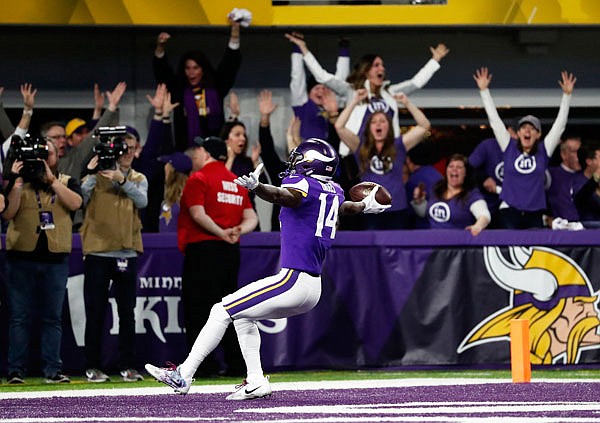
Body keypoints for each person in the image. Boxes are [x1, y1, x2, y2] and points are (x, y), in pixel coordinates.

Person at [145, 138, 389, 399]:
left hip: (293, 279)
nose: (293, 164)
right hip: (311, 286)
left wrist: (258, 187)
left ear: (311, 164)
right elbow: (345, 208)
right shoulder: (334, 191)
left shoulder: (303, 184)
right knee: (243, 317)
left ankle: (183, 374)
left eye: (298, 159)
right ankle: (256, 381)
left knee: (221, 309)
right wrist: (365, 205)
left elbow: (284, 196)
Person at [176, 135, 257, 377]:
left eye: (198, 150)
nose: (195, 155)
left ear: (206, 153)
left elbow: (198, 214)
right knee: (229, 308)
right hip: (230, 252)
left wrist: (221, 232)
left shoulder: (198, 178)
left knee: (198, 309)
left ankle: (203, 365)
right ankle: (236, 364)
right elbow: (252, 217)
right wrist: (236, 231)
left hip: (203, 250)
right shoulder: (235, 181)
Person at [2, 138, 82, 384]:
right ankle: (16, 370)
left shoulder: (66, 181)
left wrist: (52, 180)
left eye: (47, 153)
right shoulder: (19, 184)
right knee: (19, 317)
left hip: (55, 258)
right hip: (21, 257)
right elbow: (8, 213)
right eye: (39, 153)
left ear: (56, 157)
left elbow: (76, 203)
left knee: (52, 317)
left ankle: (52, 369)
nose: (43, 157)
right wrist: (14, 183)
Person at [287, 33, 448, 143]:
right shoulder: (351, 91)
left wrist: (435, 60)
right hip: (356, 151)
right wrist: (303, 49)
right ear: (366, 70)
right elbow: (322, 76)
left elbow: (415, 83)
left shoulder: (389, 92)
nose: (382, 69)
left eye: (383, 65)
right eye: (376, 65)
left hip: (385, 152)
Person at [80, 131, 148, 383]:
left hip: (127, 252)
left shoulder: (139, 178)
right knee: (95, 312)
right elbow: (79, 200)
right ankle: (92, 366)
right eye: (124, 148)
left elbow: (142, 201)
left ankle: (128, 366)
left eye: (132, 148)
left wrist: (122, 181)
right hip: (98, 251)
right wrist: (90, 172)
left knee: (127, 314)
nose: (128, 153)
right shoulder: (95, 178)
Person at [473, 67, 577, 229]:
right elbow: (495, 121)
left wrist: (567, 96)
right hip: (509, 212)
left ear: (538, 134)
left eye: (532, 128)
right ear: (518, 133)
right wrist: (484, 91)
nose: (527, 130)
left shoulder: (544, 150)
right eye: (523, 128)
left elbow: (560, 125)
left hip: (535, 213)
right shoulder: (509, 147)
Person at [335, 88, 431, 229]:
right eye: (374, 122)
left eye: (382, 121)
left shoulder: (398, 145)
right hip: (370, 210)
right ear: (369, 128)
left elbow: (424, 126)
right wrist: (355, 101)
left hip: (397, 210)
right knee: (372, 251)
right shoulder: (360, 146)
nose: (378, 124)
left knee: (398, 249)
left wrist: (407, 102)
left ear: (389, 126)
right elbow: (339, 126)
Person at [153, 15, 242, 150]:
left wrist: (235, 34)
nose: (191, 72)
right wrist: (160, 48)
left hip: (214, 152)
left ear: (203, 69)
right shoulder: (179, 91)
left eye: (195, 68)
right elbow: (163, 74)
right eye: (187, 68)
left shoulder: (215, 88)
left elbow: (229, 66)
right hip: (187, 153)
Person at [286, 32, 348, 142]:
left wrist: (344, 49)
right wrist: (297, 47)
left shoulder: (334, 107)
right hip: (307, 155)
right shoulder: (302, 106)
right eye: (316, 89)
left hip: (331, 155)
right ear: (308, 93)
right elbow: (297, 78)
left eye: (324, 88)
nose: (321, 92)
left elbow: (341, 81)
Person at [412, 154, 490, 235]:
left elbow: (484, 215)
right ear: (446, 171)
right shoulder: (437, 189)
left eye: (459, 167)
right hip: (433, 242)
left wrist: (478, 226)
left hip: (456, 244)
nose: (454, 169)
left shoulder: (472, 195)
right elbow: (423, 213)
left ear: (465, 173)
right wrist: (419, 201)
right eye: (451, 166)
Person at [546, 136, 587, 222]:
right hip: (562, 230)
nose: (579, 156)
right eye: (575, 152)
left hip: (588, 227)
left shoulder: (588, 175)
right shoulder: (551, 175)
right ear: (563, 154)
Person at [405, 144, 442, 229]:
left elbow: (410, 212)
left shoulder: (413, 181)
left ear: (408, 160)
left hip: (424, 227)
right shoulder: (437, 174)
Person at [157, 152, 191, 232]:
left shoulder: (187, 198)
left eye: (168, 164)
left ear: (173, 172)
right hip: (164, 243)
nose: (165, 167)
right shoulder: (169, 196)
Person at [574, 141, 600, 227]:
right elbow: (581, 199)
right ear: (589, 161)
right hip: (588, 230)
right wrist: (596, 177)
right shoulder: (577, 181)